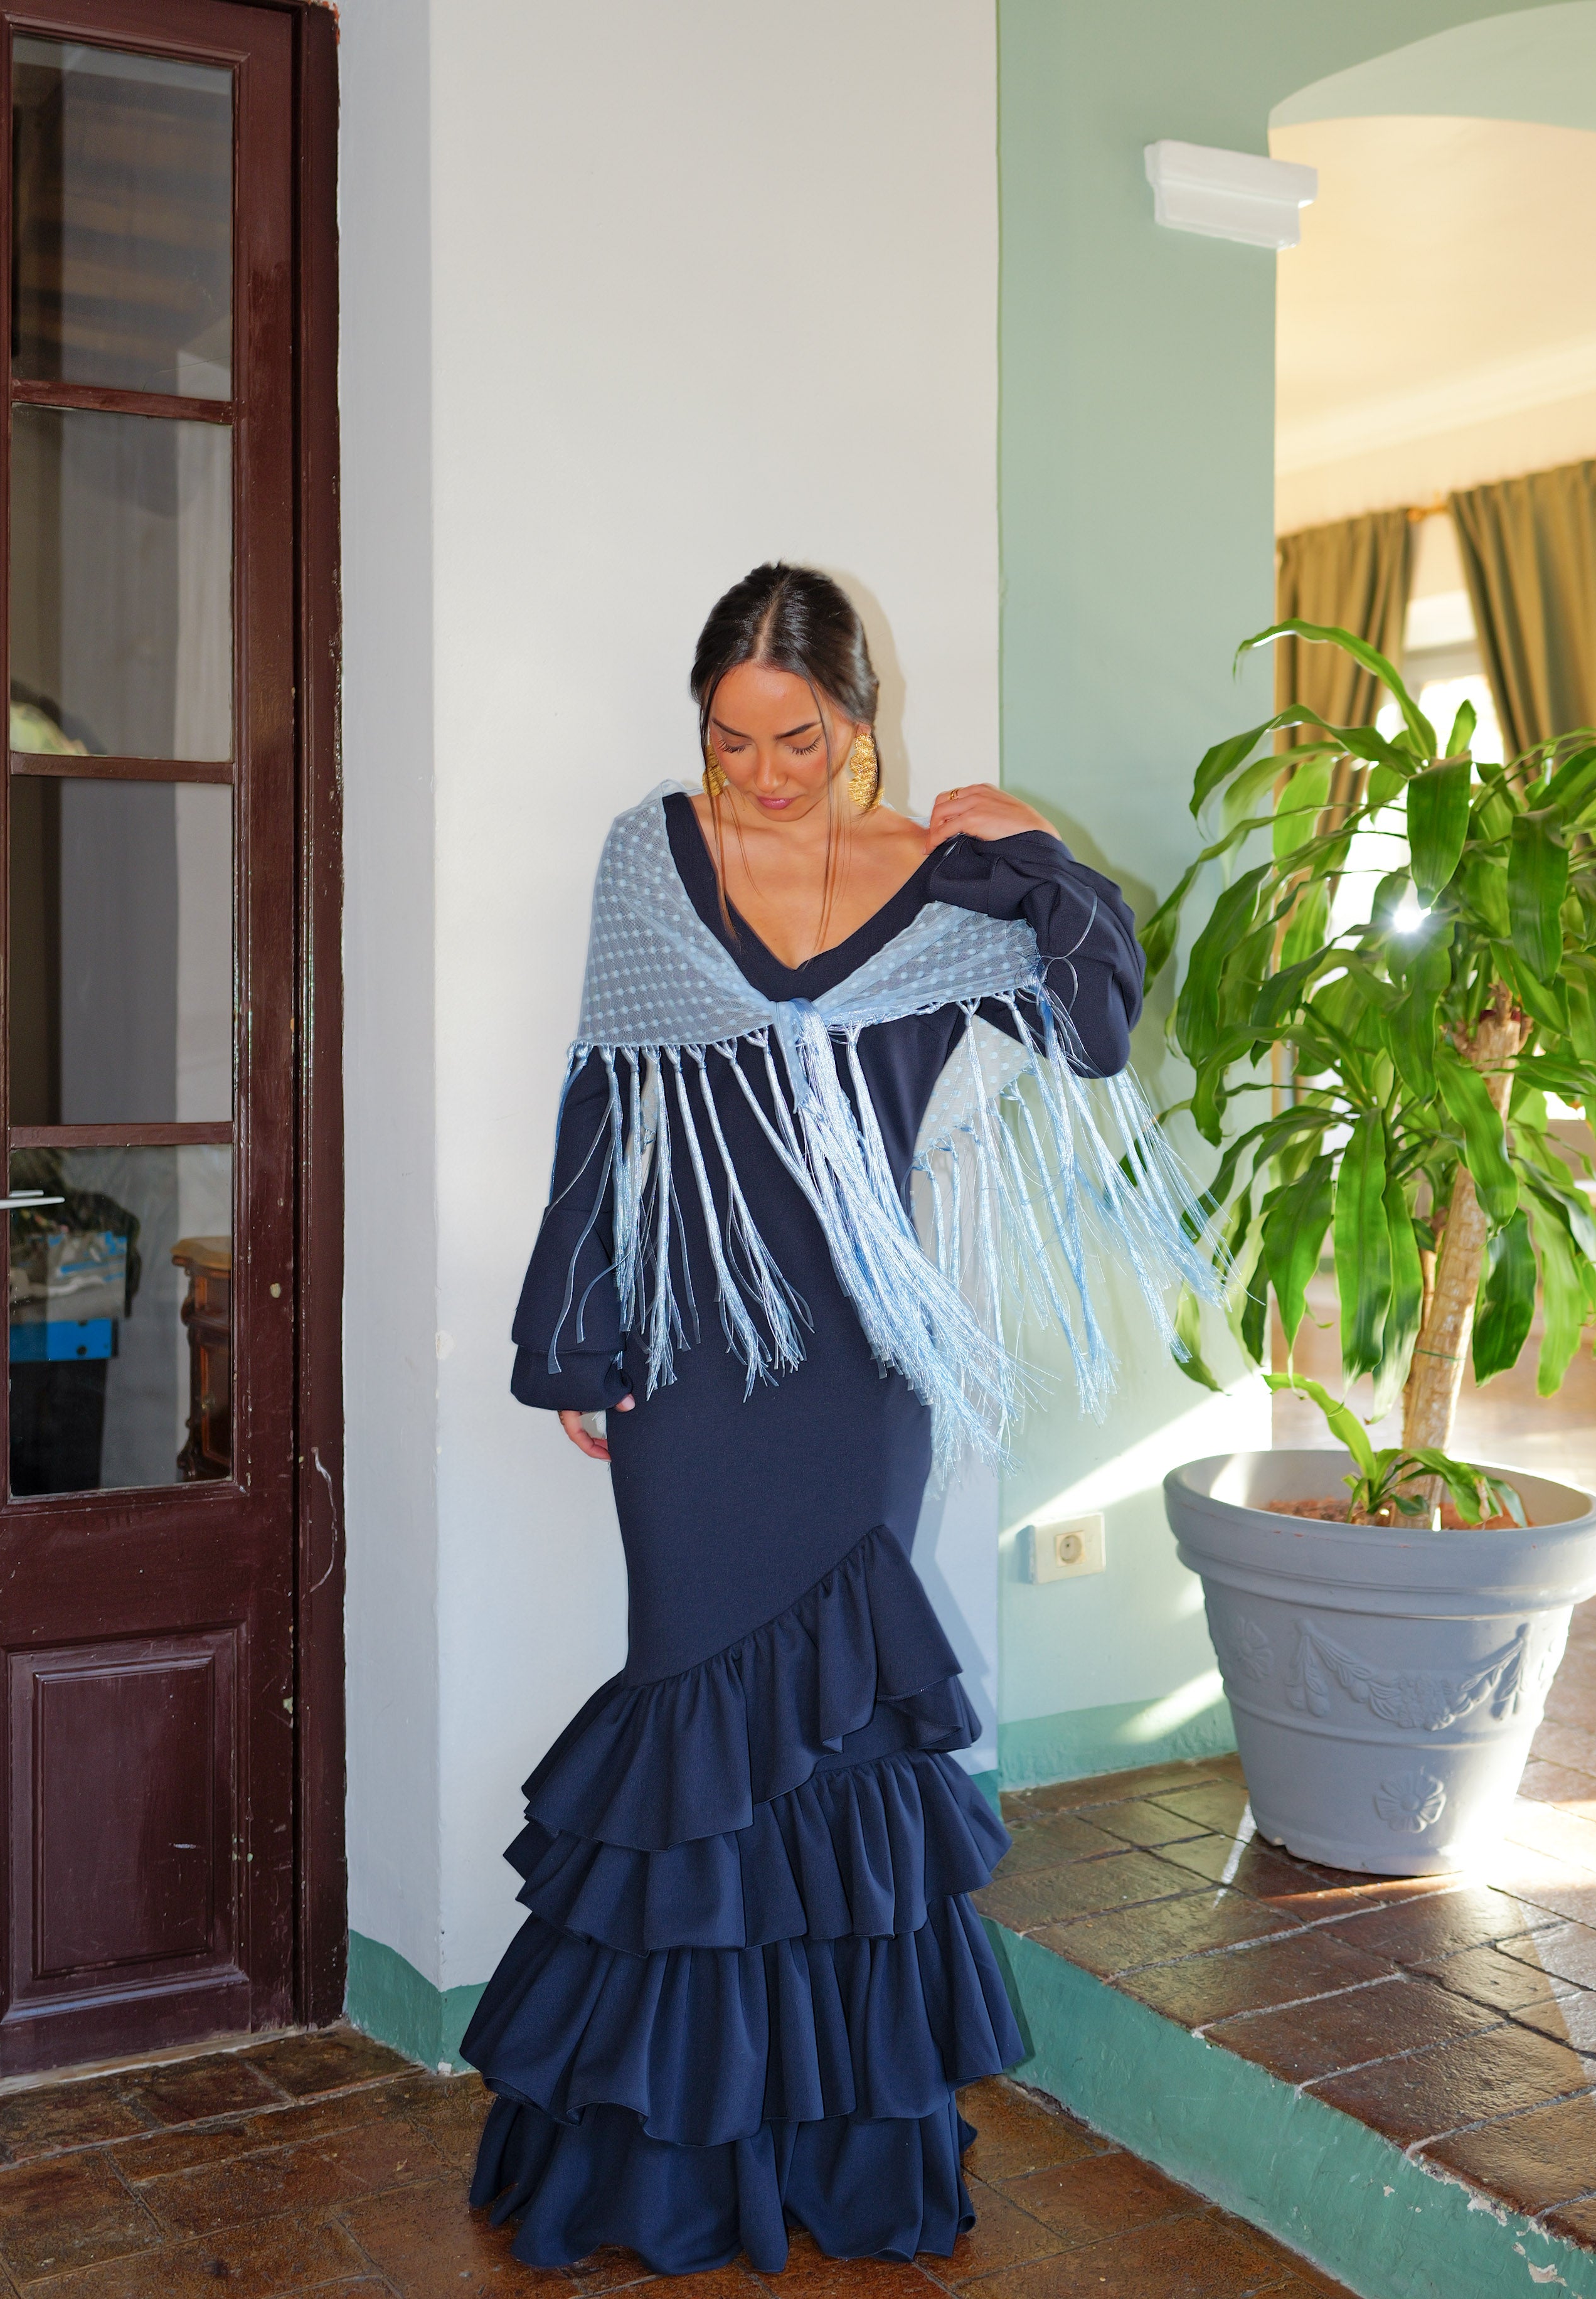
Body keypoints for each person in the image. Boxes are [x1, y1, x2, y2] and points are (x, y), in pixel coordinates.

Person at [462, 563, 1155, 2275]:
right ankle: (662, 2167)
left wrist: (1039, 860)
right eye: (729, 736)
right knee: (692, 1729)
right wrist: (579, 1336)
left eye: (797, 737)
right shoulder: (653, 856)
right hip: (692, 1367)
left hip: (865, 1372)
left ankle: (841, 2160)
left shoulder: (943, 884)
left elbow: (1095, 1029)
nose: (760, 773)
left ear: (858, 725)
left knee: (845, 1744)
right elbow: (605, 1104)